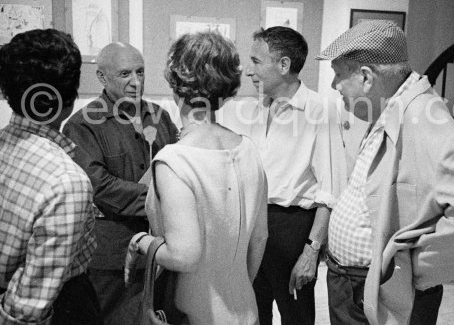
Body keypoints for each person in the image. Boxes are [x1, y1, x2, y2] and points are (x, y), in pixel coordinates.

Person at [316, 20, 454, 325]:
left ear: (366, 78)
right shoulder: (392, 109)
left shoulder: (425, 118)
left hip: (379, 287)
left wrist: (412, 268)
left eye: (338, 74)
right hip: (357, 283)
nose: (334, 86)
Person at [125, 31, 268, 324]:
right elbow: (260, 238)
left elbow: (184, 255)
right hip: (245, 309)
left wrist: (140, 241)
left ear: (175, 85)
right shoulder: (248, 149)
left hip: (193, 313)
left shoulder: (174, 160)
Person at [221, 26, 346, 325]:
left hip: (291, 230)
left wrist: (311, 252)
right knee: (253, 313)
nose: (249, 71)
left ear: (284, 65)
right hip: (252, 226)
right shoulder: (252, 109)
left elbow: (330, 191)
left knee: (296, 318)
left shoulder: (320, 112)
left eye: (256, 61)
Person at [62, 42, 179, 323]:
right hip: (112, 259)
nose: (136, 82)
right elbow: (99, 187)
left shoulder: (160, 117)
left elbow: (181, 170)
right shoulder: (82, 125)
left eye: (141, 72)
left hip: (161, 251)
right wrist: (164, 201)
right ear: (102, 78)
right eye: (125, 74)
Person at [0, 29, 101, 324]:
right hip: (63, 306)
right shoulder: (66, 182)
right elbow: (26, 312)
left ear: (8, 93)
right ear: (70, 99)